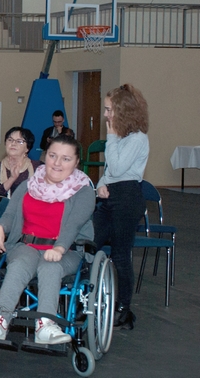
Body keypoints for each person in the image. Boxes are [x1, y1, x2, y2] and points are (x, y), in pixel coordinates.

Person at [0, 135, 95, 346]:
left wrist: (60, 247)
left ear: (76, 163)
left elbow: (73, 224)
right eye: (53, 156)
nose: (57, 163)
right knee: (19, 263)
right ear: (45, 156)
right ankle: (0, 321)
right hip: (27, 244)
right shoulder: (29, 184)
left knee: (50, 267)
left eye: (66, 159)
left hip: (67, 249)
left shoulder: (83, 191)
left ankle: (45, 325)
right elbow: (10, 215)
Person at [94, 84, 150, 329]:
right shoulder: (121, 138)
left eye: (109, 110)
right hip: (111, 195)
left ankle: (123, 309)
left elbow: (118, 168)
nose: (106, 115)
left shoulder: (137, 138)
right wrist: (100, 185)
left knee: (120, 254)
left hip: (127, 198)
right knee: (91, 243)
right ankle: (90, 299)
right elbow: (109, 172)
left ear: (121, 111)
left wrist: (112, 137)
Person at [0, 127, 42, 198]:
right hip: (4, 208)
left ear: (27, 148)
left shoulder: (38, 167)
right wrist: (11, 179)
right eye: (10, 140)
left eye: (19, 141)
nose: (13, 143)